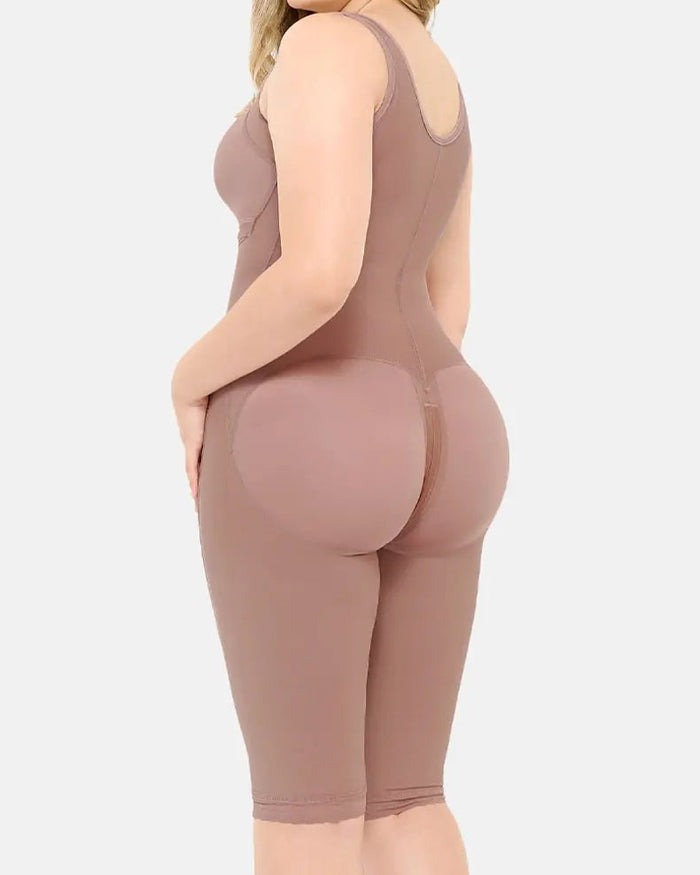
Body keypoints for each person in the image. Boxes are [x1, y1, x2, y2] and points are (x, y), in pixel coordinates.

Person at [171, 0, 509, 872]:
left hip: (307, 436)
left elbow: (321, 275)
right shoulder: (433, 68)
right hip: (454, 432)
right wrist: (389, 428)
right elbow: (449, 299)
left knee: (308, 809)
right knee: (410, 799)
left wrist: (189, 375)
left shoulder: (326, 44)